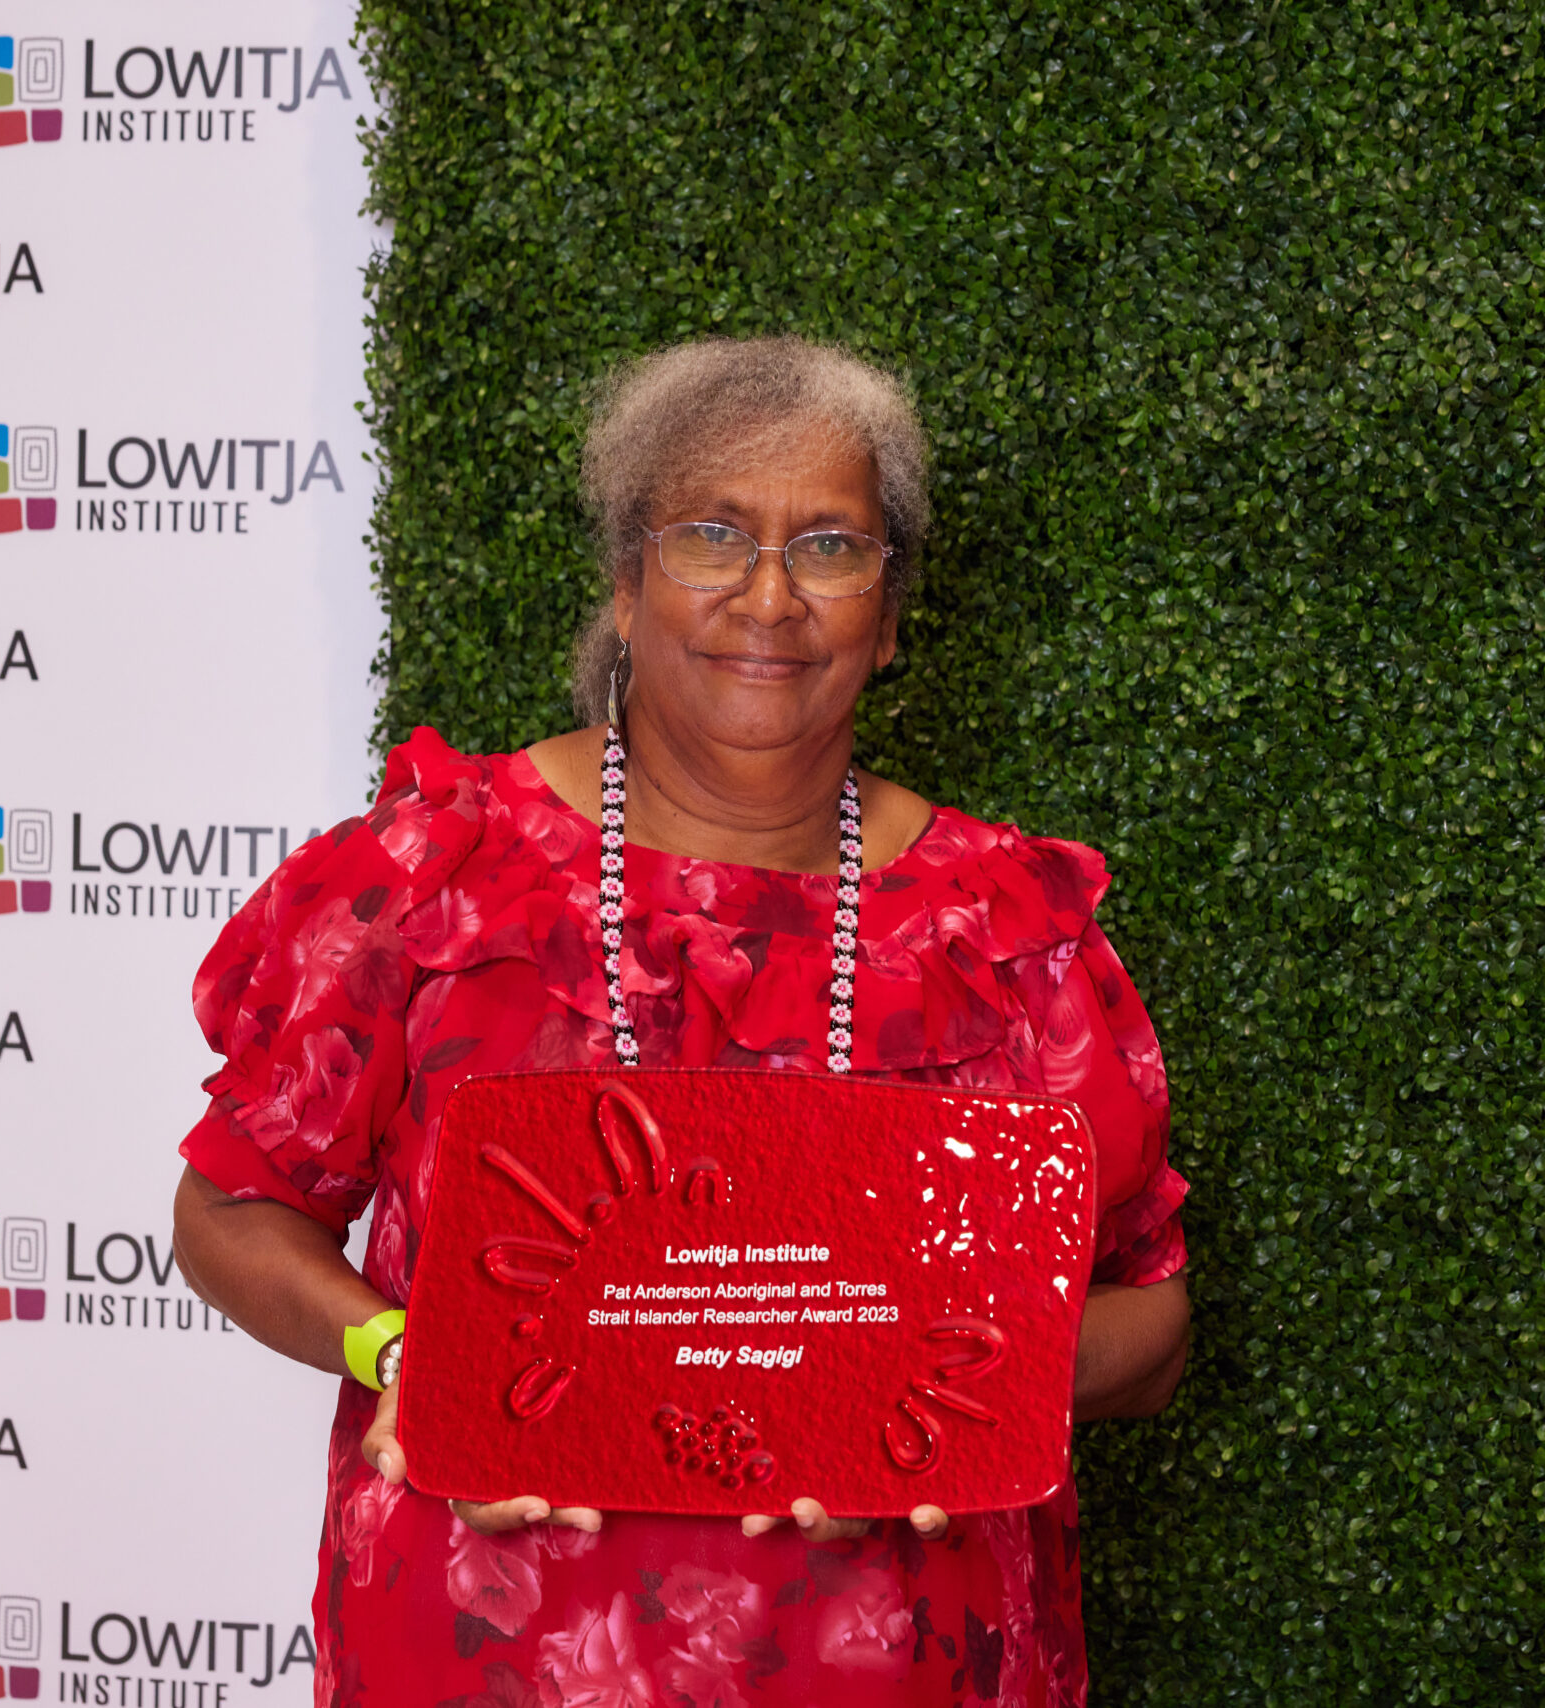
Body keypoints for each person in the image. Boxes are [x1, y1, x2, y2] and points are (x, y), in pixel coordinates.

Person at [172, 335, 1190, 1707]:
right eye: (712, 536)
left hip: (902, 1668)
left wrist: (945, 1395)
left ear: (888, 618)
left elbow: (1153, 1324)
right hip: (490, 1658)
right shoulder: (430, 877)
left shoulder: (1007, 930)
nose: (769, 597)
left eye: (831, 547)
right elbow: (232, 1210)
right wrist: (404, 1354)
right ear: (626, 586)